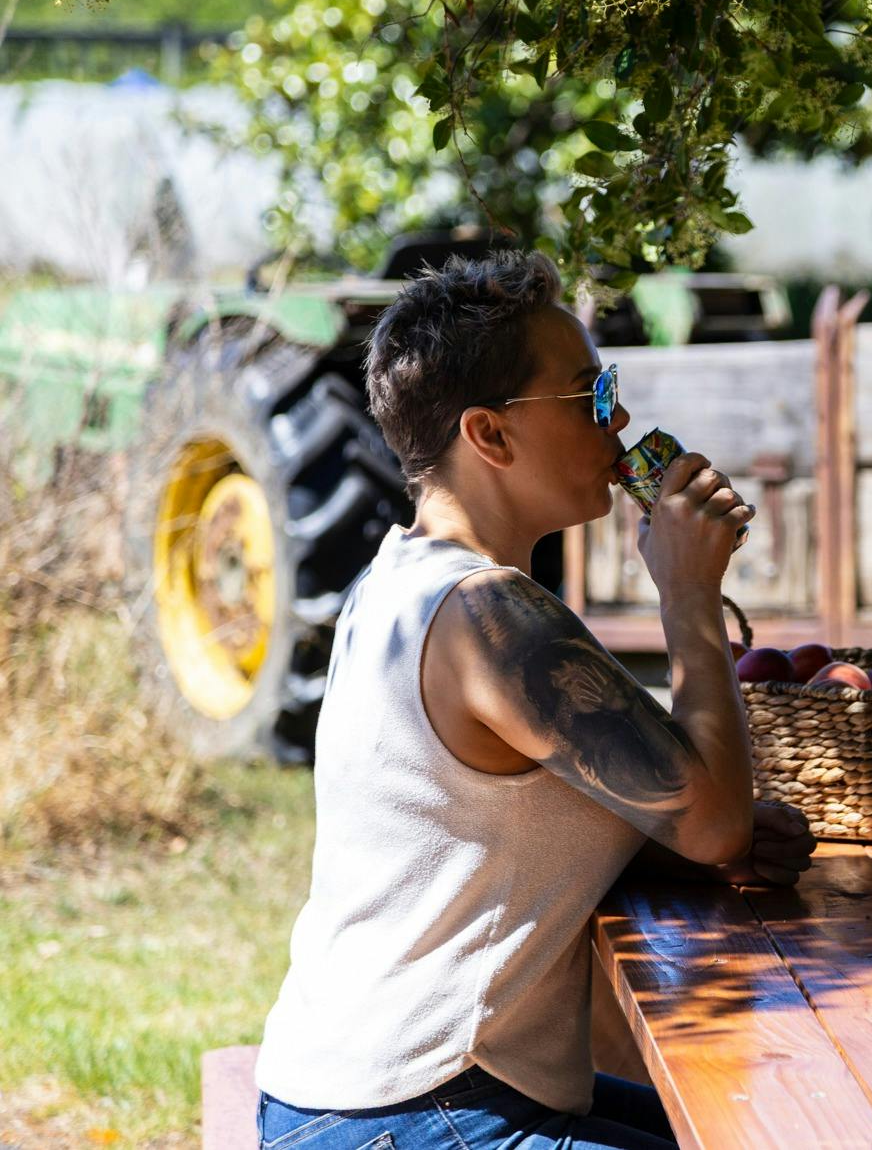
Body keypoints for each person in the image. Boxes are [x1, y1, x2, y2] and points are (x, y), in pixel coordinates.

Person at [253, 250, 815, 1149]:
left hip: (356, 1093)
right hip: (417, 1110)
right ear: (491, 435)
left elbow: (498, 819)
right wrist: (687, 595)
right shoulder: (488, 616)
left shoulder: (402, 581)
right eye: (591, 395)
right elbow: (714, 822)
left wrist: (677, 844)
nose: (620, 419)